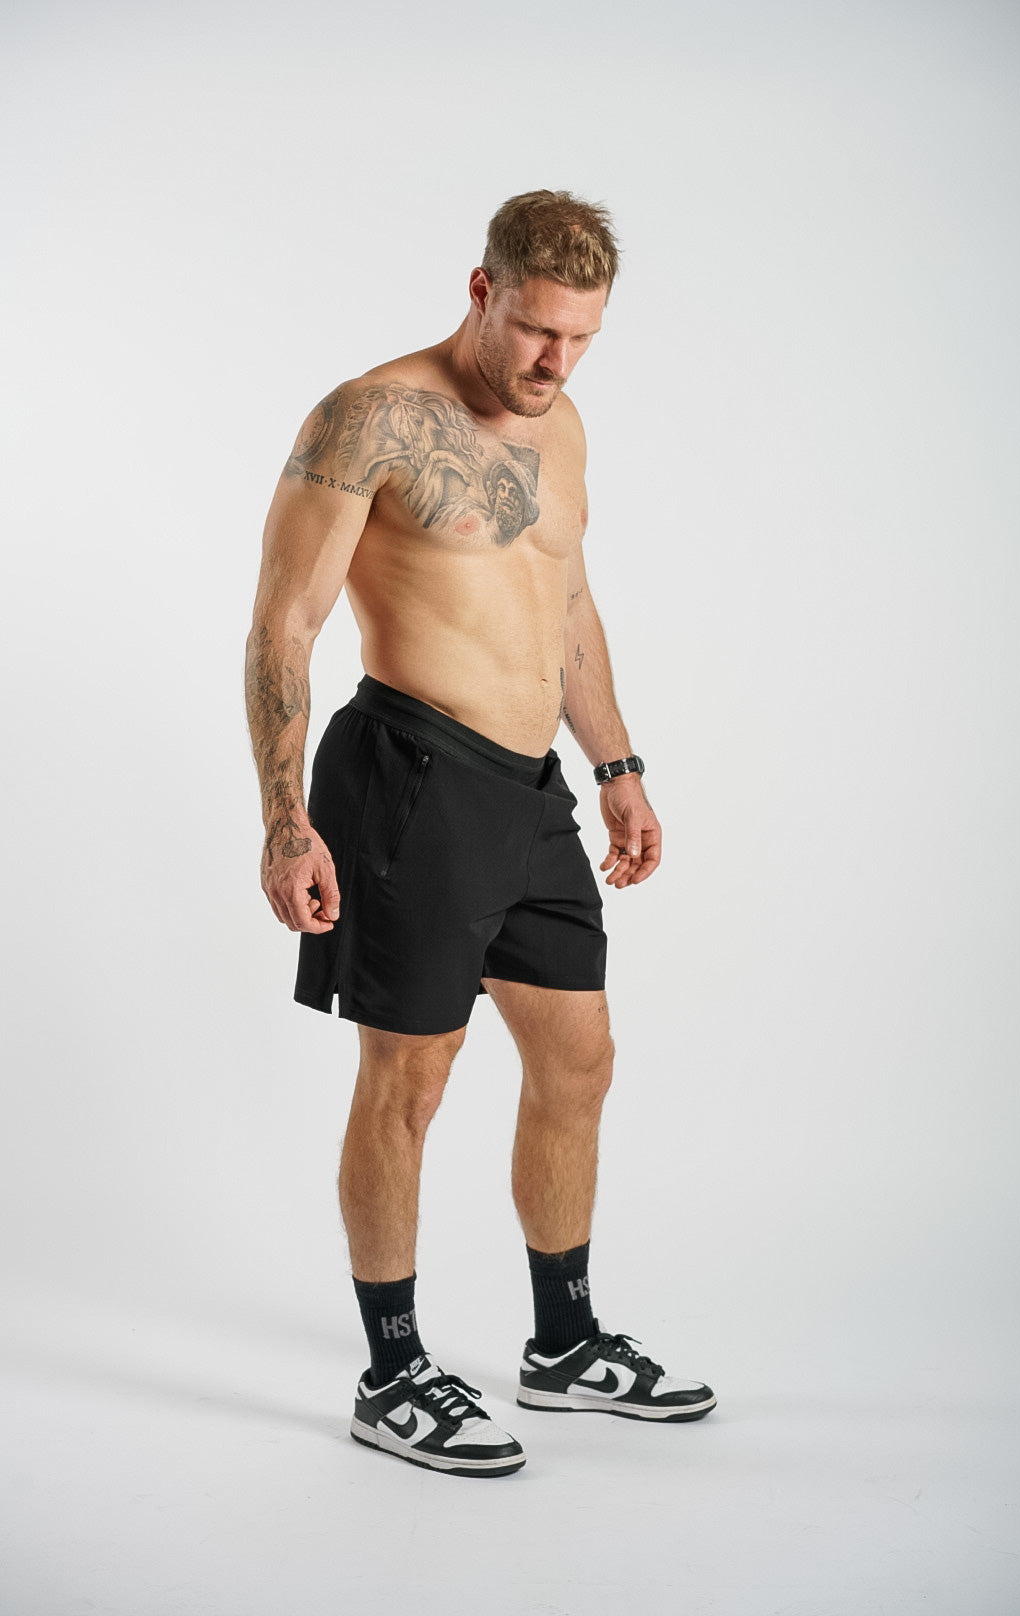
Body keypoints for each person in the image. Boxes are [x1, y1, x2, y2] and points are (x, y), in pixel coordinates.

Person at [245, 190, 714, 1477]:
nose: (556, 361)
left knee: (580, 1058)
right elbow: (284, 624)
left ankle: (563, 1343)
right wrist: (285, 821)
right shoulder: (370, 417)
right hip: (408, 776)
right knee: (412, 1081)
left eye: (582, 338)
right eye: (538, 330)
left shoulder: (564, 426)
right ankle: (392, 1371)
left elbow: (567, 599)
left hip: (529, 791)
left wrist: (615, 763)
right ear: (482, 289)